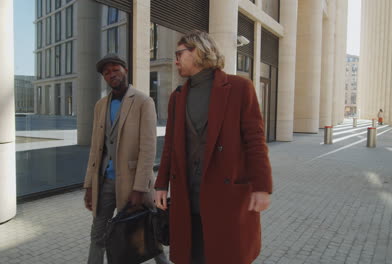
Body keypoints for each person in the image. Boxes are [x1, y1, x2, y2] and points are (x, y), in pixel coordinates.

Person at [154, 30, 273, 264]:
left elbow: (255, 141)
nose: (175, 60)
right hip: (187, 195)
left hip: (225, 196)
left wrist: (262, 187)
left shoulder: (239, 88)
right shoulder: (177, 97)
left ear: (197, 51)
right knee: (192, 255)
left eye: (179, 53)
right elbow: (170, 145)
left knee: (224, 255)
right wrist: (161, 184)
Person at [83, 54, 169, 264]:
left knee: (145, 230)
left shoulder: (143, 101)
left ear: (125, 71)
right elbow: (95, 149)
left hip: (133, 184)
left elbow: (148, 149)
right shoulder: (100, 105)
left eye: (115, 69)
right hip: (104, 182)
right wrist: (89, 186)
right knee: (98, 234)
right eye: (106, 72)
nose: (111, 75)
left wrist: (140, 188)